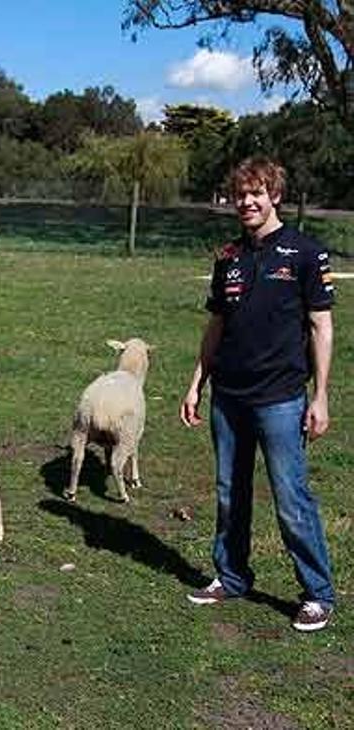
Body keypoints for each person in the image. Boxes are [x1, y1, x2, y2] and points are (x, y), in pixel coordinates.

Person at [180, 157, 336, 632]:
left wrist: (320, 396)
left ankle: (318, 593)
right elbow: (216, 325)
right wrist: (197, 382)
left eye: (256, 194)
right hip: (228, 396)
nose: (247, 202)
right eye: (240, 195)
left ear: (275, 196)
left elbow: (321, 326)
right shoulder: (228, 256)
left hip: (281, 398)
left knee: (291, 498)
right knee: (231, 493)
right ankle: (231, 576)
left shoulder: (305, 253)